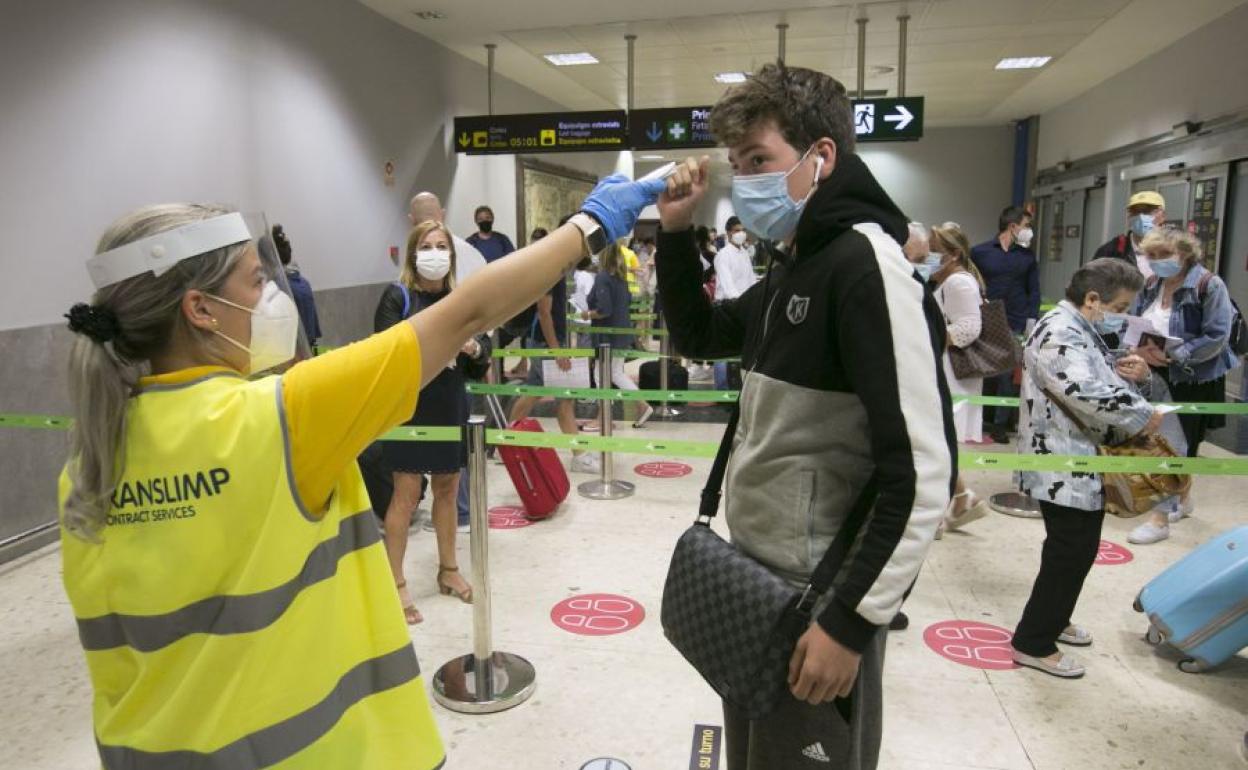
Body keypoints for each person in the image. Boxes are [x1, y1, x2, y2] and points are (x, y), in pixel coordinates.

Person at [58, 173, 663, 767]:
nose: (272, 297)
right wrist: (591, 224)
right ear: (200, 309)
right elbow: (468, 312)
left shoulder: (89, 462)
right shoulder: (284, 416)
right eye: (255, 282)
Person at [656, 62, 955, 770]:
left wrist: (849, 625)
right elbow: (699, 335)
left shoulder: (864, 269)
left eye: (758, 160)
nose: (744, 180)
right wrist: (674, 233)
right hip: (757, 584)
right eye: (736, 165)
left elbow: (920, 475)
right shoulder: (795, 265)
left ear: (821, 157)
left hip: (817, 599)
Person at [1012, 258, 1163, 678]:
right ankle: (1032, 642)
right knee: (1070, 551)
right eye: (1120, 306)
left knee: (1073, 550)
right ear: (1093, 299)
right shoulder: (1060, 331)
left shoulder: (1078, 327)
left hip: (1077, 460)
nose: (1122, 316)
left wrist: (1136, 375)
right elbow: (1082, 391)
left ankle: (1054, 621)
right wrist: (1140, 412)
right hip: (1062, 462)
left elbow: (1091, 376)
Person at [375, 221, 492, 624]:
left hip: (447, 402)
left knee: (448, 487)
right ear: (413, 253)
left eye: (442, 246)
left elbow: (483, 355)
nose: (435, 252)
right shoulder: (398, 296)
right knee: (405, 494)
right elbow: (384, 349)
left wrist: (474, 346)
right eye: (427, 245)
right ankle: (395, 583)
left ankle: (448, 569)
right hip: (409, 407)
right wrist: (432, 346)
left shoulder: (460, 298)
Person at [1126, 228, 1239, 543]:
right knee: (1163, 442)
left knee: (1173, 446)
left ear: (1186, 254)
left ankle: (1159, 520)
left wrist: (1176, 355)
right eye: (1152, 256)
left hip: (1193, 379)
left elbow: (1217, 335)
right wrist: (1138, 350)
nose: (1158, 262)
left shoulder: (1209, 285)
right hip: (1153, 374)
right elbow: (1135, 323)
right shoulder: (1150, 284)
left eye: (1165, 255)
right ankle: (1183, 499)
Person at [509, 222, 602, 474]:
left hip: (548, 343)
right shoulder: (550, 268)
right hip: (546, 345)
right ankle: (578, 455)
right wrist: (556, 350)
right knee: (563, 399)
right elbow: (544, 312)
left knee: (534, 394)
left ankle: (505, 441)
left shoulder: (558, 267)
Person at [928, 222, 995, 534]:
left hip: (952, 372)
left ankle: (952, 505)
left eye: (934, 250)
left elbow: (969, 328)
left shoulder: (959, 283)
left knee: (939, 442)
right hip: (945, 369)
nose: (927, 254)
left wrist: (928, 337)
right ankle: (960, 499)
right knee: (939, 442)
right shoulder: (950, 279)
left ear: (952, 254)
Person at [971, 206, 1039, 443]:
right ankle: (977, 420)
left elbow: (1034, 289)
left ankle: (1000, 424)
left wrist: (1032, 318)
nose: (1029, 231)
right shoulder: (979, 252)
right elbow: (972, 282)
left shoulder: (1027, 257)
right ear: (1013, 226)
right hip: (985, 319)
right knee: (981, 370)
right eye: (1027, 225)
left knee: (1008, 375)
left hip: (1016, 321)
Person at [583, 242, 654, 428]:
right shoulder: (622, 277)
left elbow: (604, 310)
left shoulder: (603, 278)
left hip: (607, 336)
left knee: (602, 375)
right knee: (615, 373)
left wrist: (588, 314)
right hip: (621, 333)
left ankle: (605, 417)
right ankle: (639, 405)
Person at [712, 216, 758, 390]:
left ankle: (735, 387)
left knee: (739, 348)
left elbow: (750, 279)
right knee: (723, 349)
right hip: (726, 305)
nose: (741, 234)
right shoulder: (723, 255)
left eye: (743, 230)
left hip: (743, 306)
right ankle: (722, 389)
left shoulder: (744, 253)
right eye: (737, 230)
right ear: (729, 233)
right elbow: (727, 282)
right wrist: (740, 302)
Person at [407, 191, 487, 283]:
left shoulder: (414, 256)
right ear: (443, 214)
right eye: (426, 247)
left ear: (411, 220)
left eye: (441, 246)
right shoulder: (473, 254)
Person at [1093, 191, 1167, 277]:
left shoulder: (1173, 251)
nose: (1141, 217)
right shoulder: (1112, 251)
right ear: (1129, 217)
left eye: (1148, 212)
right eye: (1136, 212)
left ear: (1163, 216)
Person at [272, 223, 322, 349]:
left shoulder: (279, 287)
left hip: (293, 350)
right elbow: (313, 327)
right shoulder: (303, 282)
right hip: (308, 346)